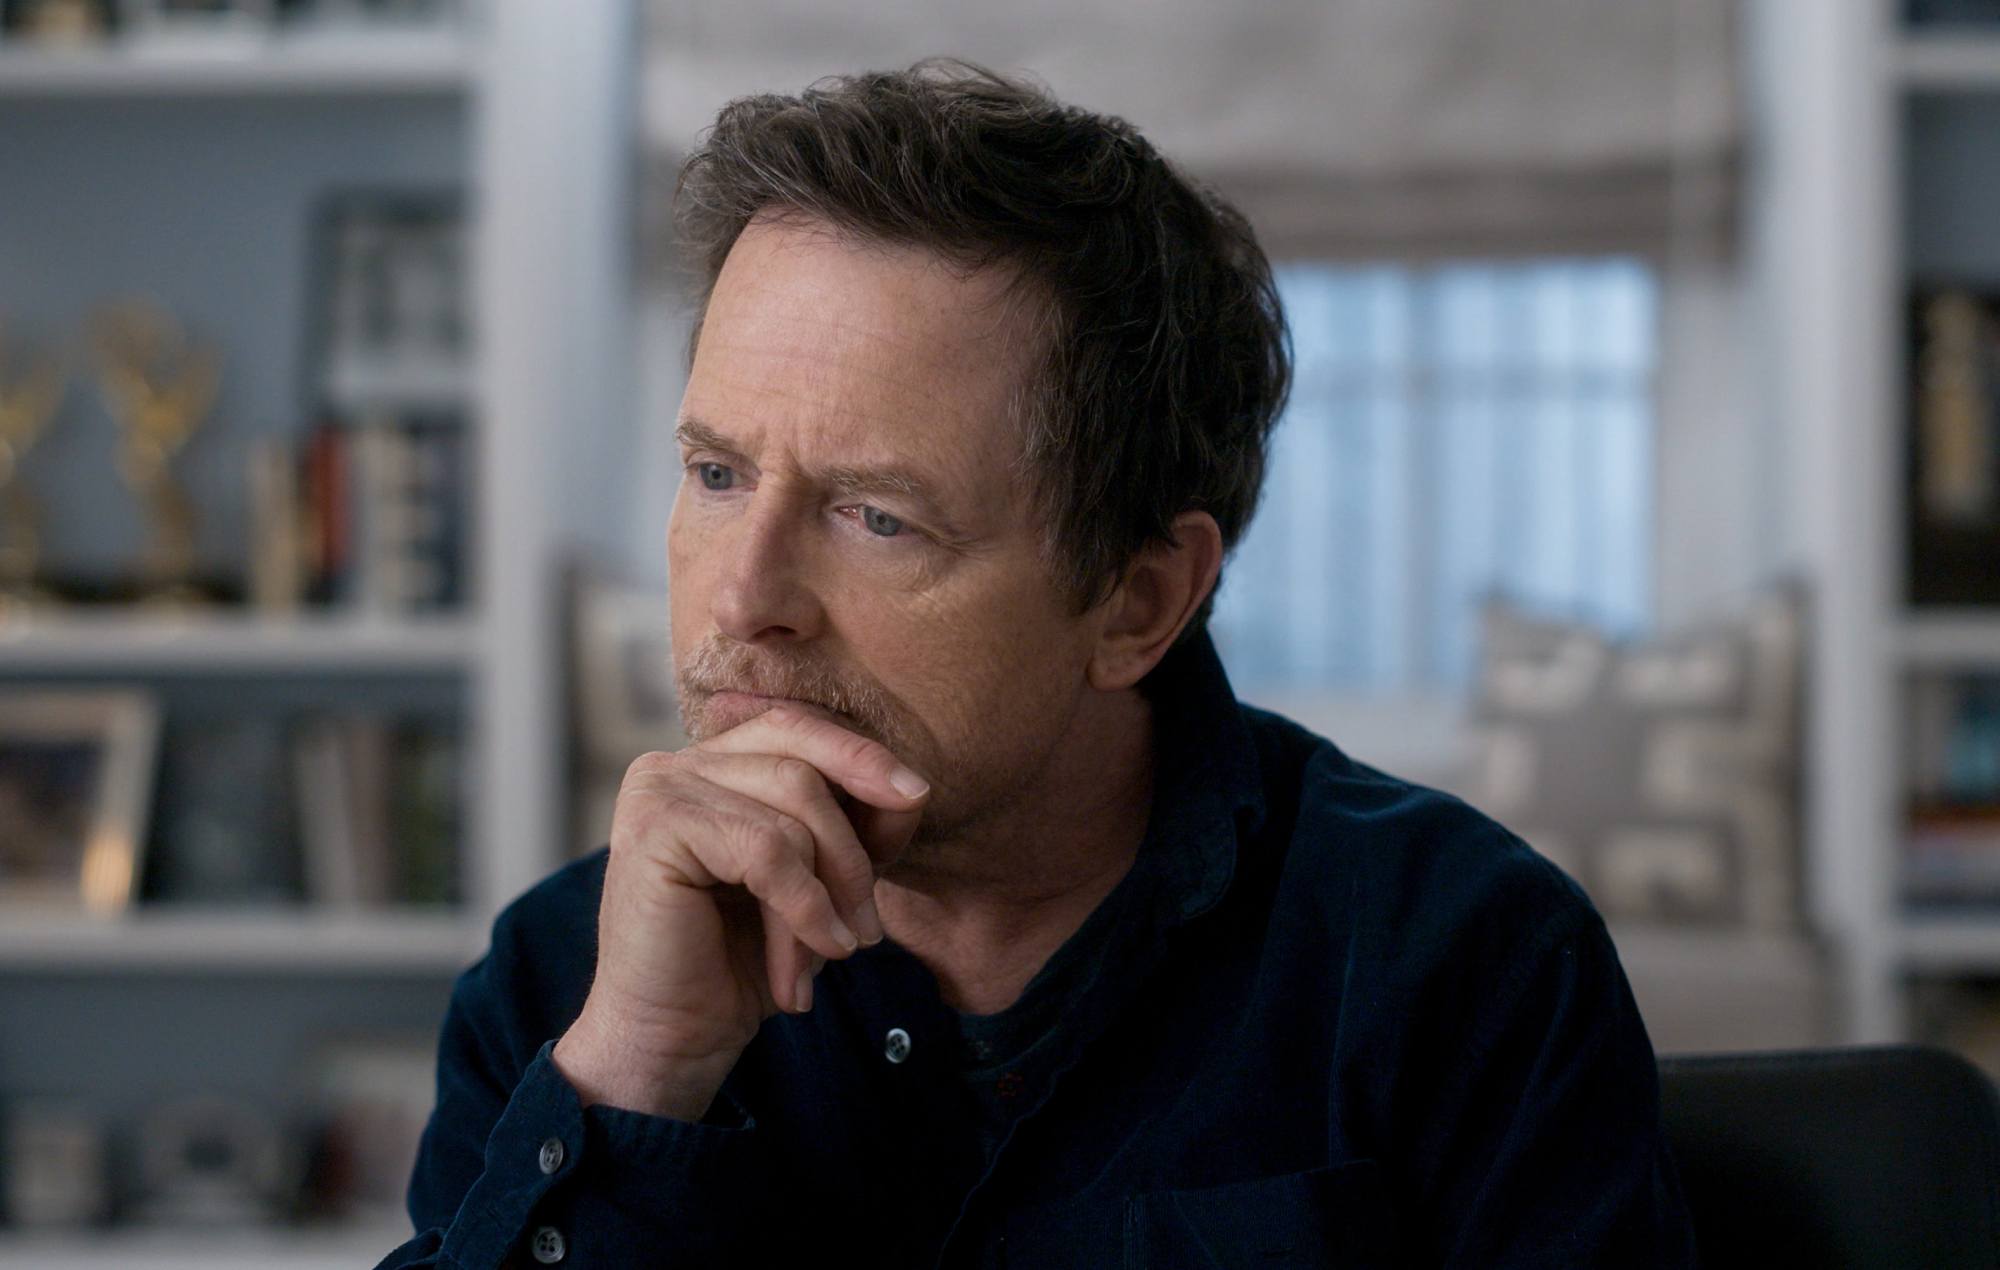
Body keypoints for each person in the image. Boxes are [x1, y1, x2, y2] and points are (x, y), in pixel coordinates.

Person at [374, 59, 1698, 1269]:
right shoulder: (567, 987)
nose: (742, 596)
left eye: (875, 516)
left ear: (1139, 600)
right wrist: (635, 1077)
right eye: (717, 474)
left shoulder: (1463, 962)